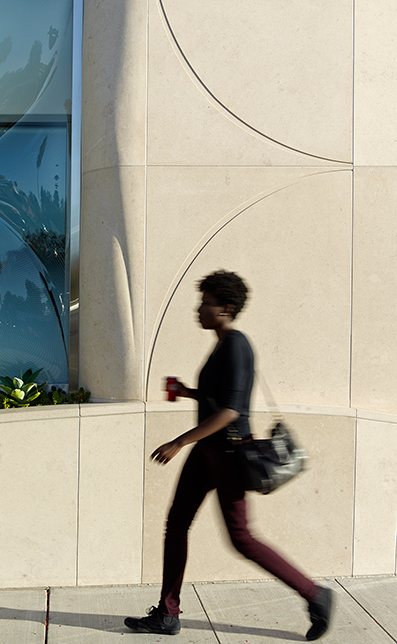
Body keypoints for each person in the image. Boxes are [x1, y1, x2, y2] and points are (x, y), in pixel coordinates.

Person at [125, 270, 333, 640]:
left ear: (226, 308)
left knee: (241, 538)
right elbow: (218, 399)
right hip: (208, 454)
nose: (198, 308)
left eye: (205, 302)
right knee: (176, 525)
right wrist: (189, 392)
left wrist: (179, 442)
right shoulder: (222, 343)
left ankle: (316, 595)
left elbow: (231, 412)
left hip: (228, 456)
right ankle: (167, 613)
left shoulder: (237, 344)